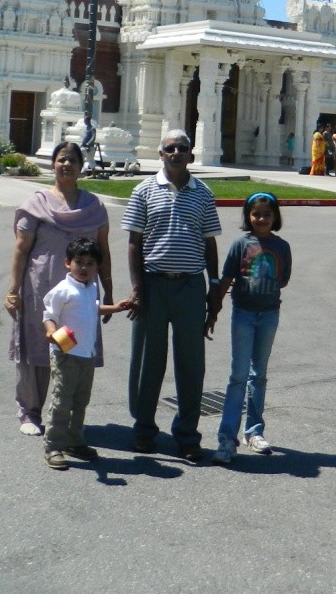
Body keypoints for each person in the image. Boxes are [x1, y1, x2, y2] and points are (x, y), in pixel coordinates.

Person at [123, 128, 221, 463]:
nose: (176, 153)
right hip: (153, 284)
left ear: (190, 154)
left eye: (182, 148)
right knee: (148, 360)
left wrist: (216, 288)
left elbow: (210, 243)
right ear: (160, 155)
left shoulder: (203, 193)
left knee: (191, 363)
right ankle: (144, 430)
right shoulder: (143, 191)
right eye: (169, 149)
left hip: (191, 286)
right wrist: (137, 289)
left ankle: (188, 436)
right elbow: (134, 244)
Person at [6, 141, 113, 435]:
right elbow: (20, 249)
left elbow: (103, 250)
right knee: (37, 349)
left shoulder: (94, 208)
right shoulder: (36, 205)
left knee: (74, 351)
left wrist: (110, 290)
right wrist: (13, 290)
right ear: (53, 164)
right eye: (61, 159)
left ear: (81, 167)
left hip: (81, 295)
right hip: (40, 290)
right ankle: (29, 412)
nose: (66, 165)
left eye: (72, 161)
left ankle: (64, 415)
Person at [207, 192, 292, 464]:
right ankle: (227, 438)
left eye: (267, 214)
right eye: (256, 214)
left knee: (260, 375)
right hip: (243, 314)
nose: (261, 219)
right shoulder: (240, 244)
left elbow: (284, 279)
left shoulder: (282, 247)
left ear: (275, 217)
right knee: (238, 375)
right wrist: (213, 311)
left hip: (269, 315)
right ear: (248, 217)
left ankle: (254, 432)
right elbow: (226, 278)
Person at [40, 237, 131, 469]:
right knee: (62, 400)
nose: (84, 268)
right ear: (67, 263)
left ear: (97, 267)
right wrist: (52, 333)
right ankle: (53, 446)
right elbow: (48, 316)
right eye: (79, 262)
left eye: (90, 263)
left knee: (80, 401)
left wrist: (116, 307)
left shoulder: (90, 288)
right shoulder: (62, 290)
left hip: (86, 355)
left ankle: (74, 441)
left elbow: (93, 309)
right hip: (65, 353)